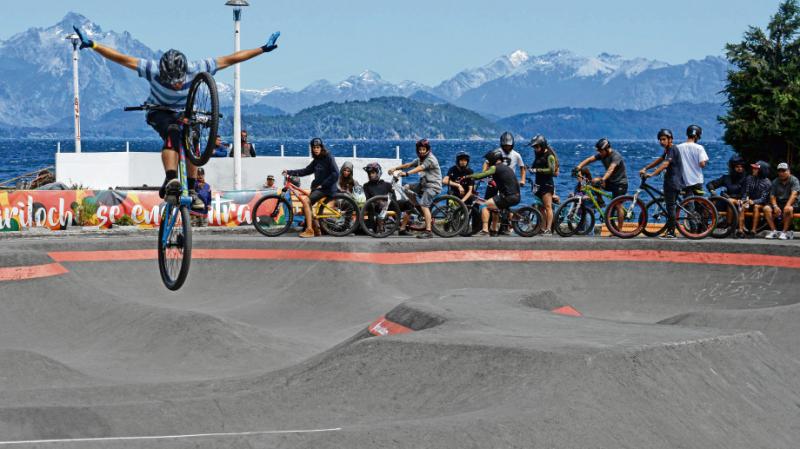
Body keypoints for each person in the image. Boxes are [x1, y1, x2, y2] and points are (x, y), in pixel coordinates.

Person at [71, 25, 280, 213]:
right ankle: (171, 179)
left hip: (186, 112)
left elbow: (231, 59)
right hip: (159, 111)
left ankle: (191, 188)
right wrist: (94, 45)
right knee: (172, 130)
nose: (176, 85)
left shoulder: (197, 68)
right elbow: (122, 59)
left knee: (192, 140)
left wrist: (262, 49)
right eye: (170, 82)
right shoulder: (152, 69)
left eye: (179, 81)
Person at [284, 138, 339, 238]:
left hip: (326, 189)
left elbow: (336, 173)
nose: (316, 149)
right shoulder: (316, 160)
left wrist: (323, 184)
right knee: (306, 207)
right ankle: (316, 229)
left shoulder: (328, 157)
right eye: (314, 148)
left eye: (318, 147)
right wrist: (289, 172)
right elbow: (305, 171)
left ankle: (310, 230)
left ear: (321, 148)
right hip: (318, 188)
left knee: (305, 202)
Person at [388, 139, 442, 239]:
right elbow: (409, 165)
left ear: (427, 149)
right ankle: (403, 228)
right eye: (420, 149)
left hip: (433, 186)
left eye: (423, 149)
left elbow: (420, 168)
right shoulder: (420, 158)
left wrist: (407, 173)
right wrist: (395, 168)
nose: (421, 151)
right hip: (423, 184)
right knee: (406, 188)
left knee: (424, 205)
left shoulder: (430, 159)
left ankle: (429, 231)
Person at [639, 129, 683, 240]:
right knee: (669, 206)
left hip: (673, 182)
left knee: (670, 207)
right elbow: (659, 160)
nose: (661, 141)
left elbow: (664, 164)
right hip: (669, 182)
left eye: (664, 139)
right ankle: (670, 230)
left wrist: (652, 174)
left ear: (670, 139)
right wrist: (646, 168)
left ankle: (672, 233)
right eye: (660, 140)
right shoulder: (668, 150)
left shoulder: (672, 149)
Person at [468, 149, 521, 236]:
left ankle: (485, 230)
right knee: (494, 206)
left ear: (493, 159)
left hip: (508, 197)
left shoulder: (495, 167)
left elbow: (482, 175)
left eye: (489, 160)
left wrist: (468, 176)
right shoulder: (506, 167)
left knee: (485, 205)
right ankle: (493, 229)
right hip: (515, 196)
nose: (488, 162)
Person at [527, 134, 559, 235]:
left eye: (536, 147)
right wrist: (529, 169)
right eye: (534, 147)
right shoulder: (538, 155)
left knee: (548, 206)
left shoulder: (549, 156)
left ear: (542, 145)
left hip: (547, 184)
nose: (535, 149)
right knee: (540, 207)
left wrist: (537, 170)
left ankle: (549, 228)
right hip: (538, 184)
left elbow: (551, 170)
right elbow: (535, 166)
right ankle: (542, 227)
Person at [763, 162, 799, 240]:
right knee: (766, 208)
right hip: (779, 203)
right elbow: (772, 196)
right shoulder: (775, 181)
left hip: (792, 202)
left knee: (788, 209)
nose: (781, 173)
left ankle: (784, 232)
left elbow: (794, 194)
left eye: (784, 171)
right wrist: (775, 206)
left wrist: (788, 205)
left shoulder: (794, 180)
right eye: (780, 171)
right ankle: (774, 231)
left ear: (789, 171)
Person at [736, 161, 772, 238]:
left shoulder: (767, 182)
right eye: (753, 168)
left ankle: (753, 230)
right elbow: (746, 192)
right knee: (742, 206)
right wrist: (743, 200)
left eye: (756, 169)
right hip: (750, 202)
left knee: (756, 207)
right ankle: (740, 230)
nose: (753, 170)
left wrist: (754, 201)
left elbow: (764, 198)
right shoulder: (749, 178)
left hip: (762, 204)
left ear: (761, 171)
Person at [676, 125, 709, 195]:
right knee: (699, 202)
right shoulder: (699, 148)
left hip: (684, 180)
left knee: (688, 202)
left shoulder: (678, 147)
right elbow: (702, 164)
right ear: (696, 136)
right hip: (697, 181)